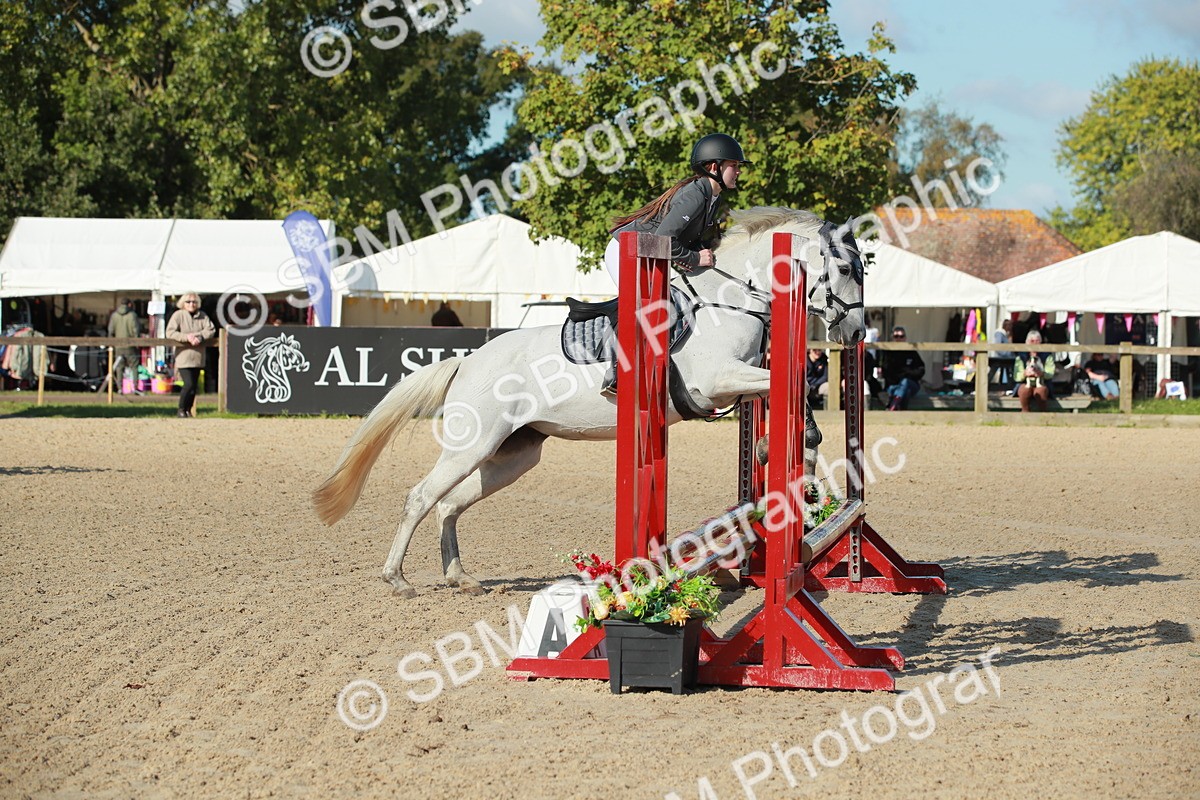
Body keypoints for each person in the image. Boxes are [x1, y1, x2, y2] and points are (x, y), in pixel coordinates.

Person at [599, 133, 751, 395]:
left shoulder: (712, 197)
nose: (738, 171)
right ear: (714, 167)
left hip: (649, 252)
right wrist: (694, 258)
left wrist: (700, 256)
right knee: (640, 304)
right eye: (733, 165)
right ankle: (616, 373)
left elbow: (679, 241)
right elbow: (663, 238)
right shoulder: (695, 194)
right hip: (627, 250)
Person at [166, 293, 215, 418]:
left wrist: (200, 336)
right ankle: (181, 409)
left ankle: (188, 410)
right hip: (183, 355)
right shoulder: (178, 315)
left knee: (194, 386)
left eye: (194, 302)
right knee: (188, 384)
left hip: (198, 356)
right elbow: (170, 332)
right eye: (188, 302)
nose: (191, 304)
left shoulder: (203, 316)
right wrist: (186, 337)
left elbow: (210, 330)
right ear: (183, 303)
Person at [881, 326, 925, 410]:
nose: (899, 339)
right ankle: (900, 411)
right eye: (896, 336)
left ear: (905, 338)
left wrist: (907, 374)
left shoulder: (911, 352)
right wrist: (902, 374)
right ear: (892, 338)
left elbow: (921, 370)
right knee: (904, 391)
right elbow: (886, 372)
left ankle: (892, 407)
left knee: (905, 382)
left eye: (901, 336)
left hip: (911, 384)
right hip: (893, 385)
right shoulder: (889, 354)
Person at [1014, 330, 1055, 412]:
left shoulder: (1047, 356)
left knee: (1041, 391)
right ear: (1027, 342)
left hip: (1042, 383)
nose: (1034, 344)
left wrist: (1041, 374)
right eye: (1032, 341)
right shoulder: (1020, 356)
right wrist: (1025, 373)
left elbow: (1050, 373)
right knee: (1024, 390)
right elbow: (1016, 376)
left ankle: (1042, 414)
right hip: (1025, 382)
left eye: (1037, 341)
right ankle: (1025, 412)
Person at [107, 298, 141, 392]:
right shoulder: (132, 315)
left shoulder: (114, 315)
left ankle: (119, 388)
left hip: (118, 345)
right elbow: (136, 331)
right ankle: (135, 387)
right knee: (134, 366)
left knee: (119, 367)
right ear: (129, 304)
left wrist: (112, 344)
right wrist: (137, 342)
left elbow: (110, 331)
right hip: (130, 345)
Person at [990, 319, 1015, 385]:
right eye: (1010, 325)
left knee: (1006, 370)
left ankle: (1008, 384)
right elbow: (998, 346)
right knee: (996, 370)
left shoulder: (1006, 334)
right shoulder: (999, 334)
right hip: (1001, 357)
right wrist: (1006, 354)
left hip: (1006, 357)